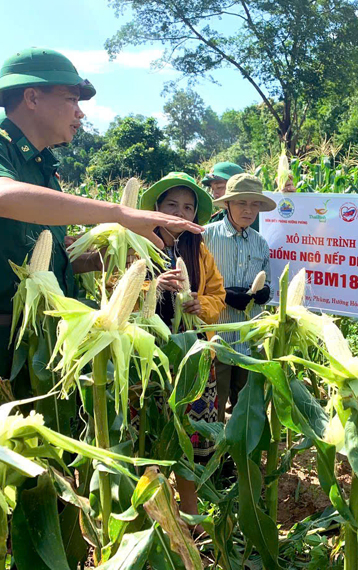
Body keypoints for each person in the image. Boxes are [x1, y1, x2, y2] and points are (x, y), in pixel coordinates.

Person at [0, 47, 201, 391]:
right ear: (32, 97)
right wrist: (118, 213)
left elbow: (39, 255)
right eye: (71, 99)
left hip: (51, 333)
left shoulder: (44, 169)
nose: (80, 113)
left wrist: (95, 260)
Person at [139, 172, 226, 516]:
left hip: (192, 356)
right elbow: (118, 286)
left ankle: (189, 511)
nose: (180, 212)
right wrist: (153, 286)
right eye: (172, 205)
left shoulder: (198, 250)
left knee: (189, 434)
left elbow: (217, 294)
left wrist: (200, 305)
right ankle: (154, 511)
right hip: (150, 352)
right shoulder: (138, 244)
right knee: (152, 431)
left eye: (188, 207)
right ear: (157, 208)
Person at [204, 174, 274, 421]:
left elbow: (269, 281)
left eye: (254, 204)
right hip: (217, 339)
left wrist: (265, 293)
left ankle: (240, 446)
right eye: (241, 203)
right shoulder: (206, 237)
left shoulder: (260, 243)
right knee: (214, 404)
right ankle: (215, 445)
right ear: (227, 204)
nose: (248, 210)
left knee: (245, 408)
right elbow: (194, 283)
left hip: (249, 340)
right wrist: (223, 295)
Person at [204, 162, 259, 231]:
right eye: (212, 189)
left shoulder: (261, 219)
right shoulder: (216, 219)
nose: (215, 194)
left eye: (219, 187)